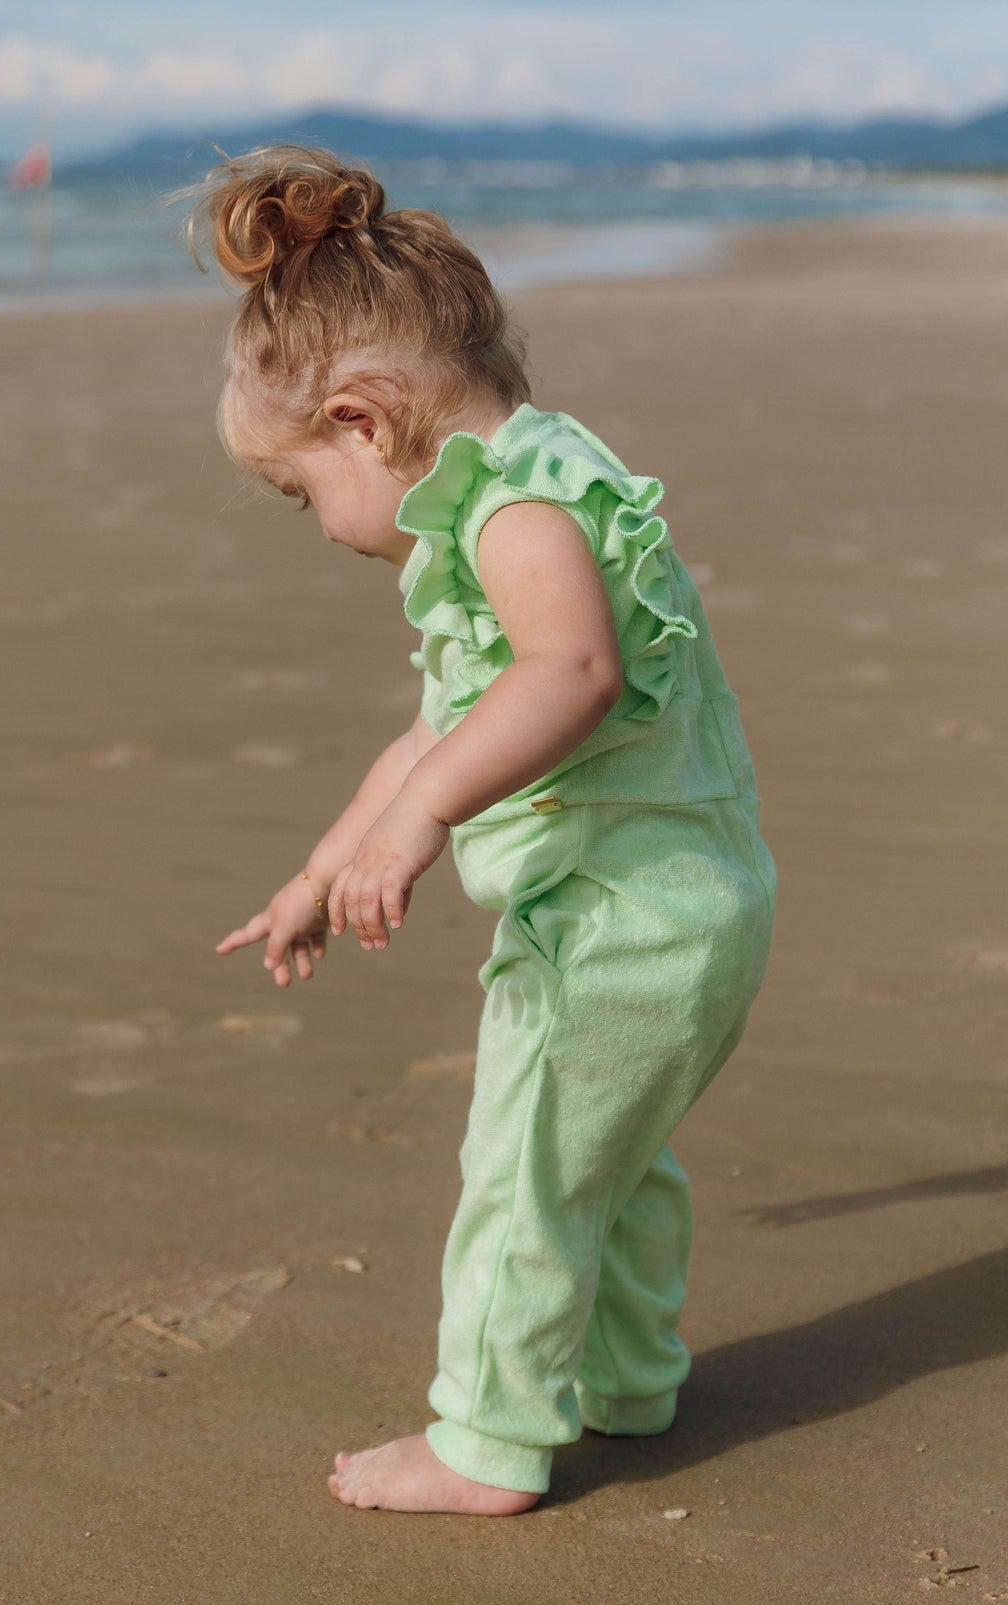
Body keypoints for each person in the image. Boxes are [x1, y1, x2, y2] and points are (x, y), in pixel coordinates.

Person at [195, 145, 776, 1516]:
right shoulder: (534, 481)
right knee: (609, 1165)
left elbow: (567, 677)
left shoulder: (518, 512)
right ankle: (627, 1382)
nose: (321, 526)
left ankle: (486, 1443)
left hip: (620, 923)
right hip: (687, 910)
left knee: (522, 1176)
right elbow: (438, 730)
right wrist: (326, 865)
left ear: (359, 420)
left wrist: (420, 828)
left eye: (301, 495)